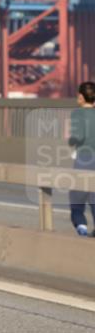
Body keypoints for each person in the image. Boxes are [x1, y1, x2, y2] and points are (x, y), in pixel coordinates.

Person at [68, 81, 95, 236]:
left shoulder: (77, 114)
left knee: (77, 202)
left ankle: (82, 227)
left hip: (84, 160)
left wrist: (71, 140)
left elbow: (78, 136)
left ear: (81, 96)